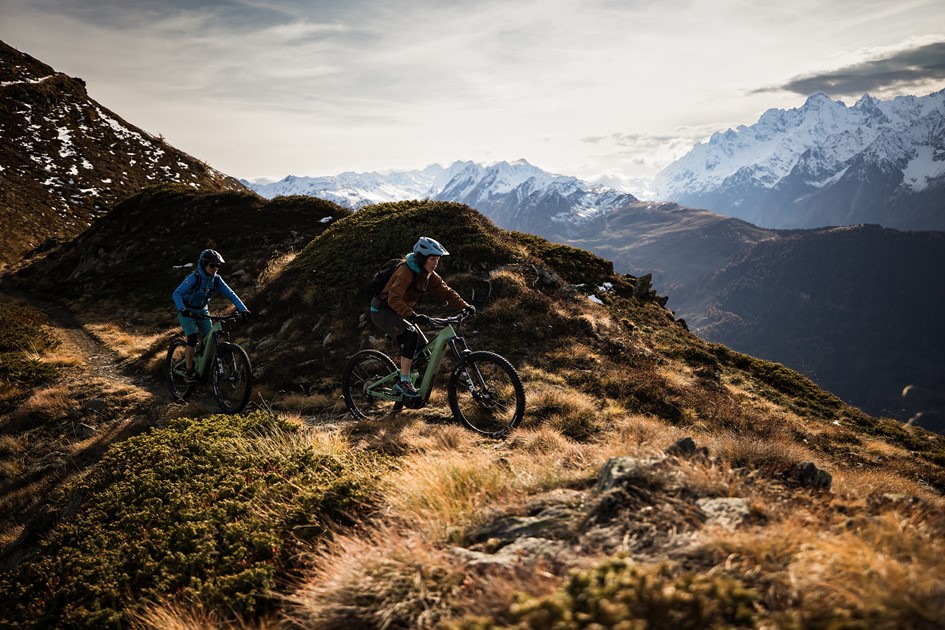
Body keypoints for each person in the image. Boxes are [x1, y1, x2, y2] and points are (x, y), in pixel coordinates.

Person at [370, 237, 475, 398]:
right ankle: (404, 381)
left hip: (399, 312)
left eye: (437, 259)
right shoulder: (405, 271)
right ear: (421, 258)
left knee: (424, 351)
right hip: (382, 312)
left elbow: (445, 291)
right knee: (411, 335)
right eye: (432, 259)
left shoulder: (427, 273)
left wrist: (465, 306)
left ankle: (404, 382)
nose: (435, 263)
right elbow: (394, 299)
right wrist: (413, 316)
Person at [172, 248, 250, 383]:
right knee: (192, 338)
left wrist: (243, 309)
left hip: (202, 311)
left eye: (218, 266)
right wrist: (182, 309)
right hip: (187, 311)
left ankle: (202, 364)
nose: (215, 268)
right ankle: (189, 371)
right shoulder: (194, 277)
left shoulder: (216, 280)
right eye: (212, 265)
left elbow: (231, 295)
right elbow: (177, 293)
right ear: (204, 265)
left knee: (210, 339)